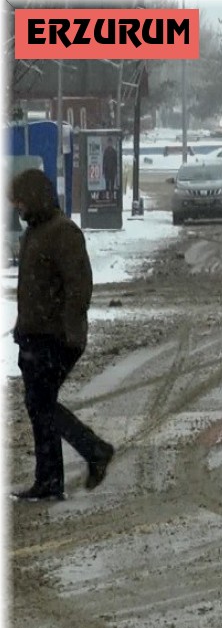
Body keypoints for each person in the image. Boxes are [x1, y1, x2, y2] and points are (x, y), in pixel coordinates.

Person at [9, 169, 114, 502]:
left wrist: (69, 331)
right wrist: (22, 330)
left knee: (41, 403)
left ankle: (93, 451)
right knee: (39, 404)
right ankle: (50, 480)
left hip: (57, 337)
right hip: (33, 335)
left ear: (35, 196)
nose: (18, 208)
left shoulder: (63, 232)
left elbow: (79, 286)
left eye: (21, 200)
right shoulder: (35, 232)